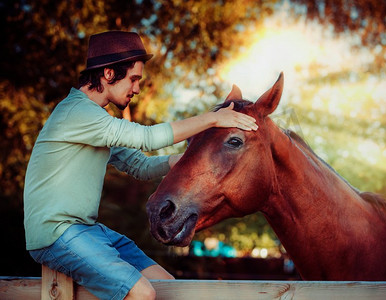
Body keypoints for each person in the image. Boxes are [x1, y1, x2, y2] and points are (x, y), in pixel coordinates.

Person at [23, 30, 258, 300]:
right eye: (133, 79)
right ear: (109, 74)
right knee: (142, 293)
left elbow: (139, 166)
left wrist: (187, 160)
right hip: (57, 234)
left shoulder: (97, 122)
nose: (136, 88)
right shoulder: (77, 113)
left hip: (87, 231)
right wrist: (212, 120)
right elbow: (146, 138)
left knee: (167, 286)